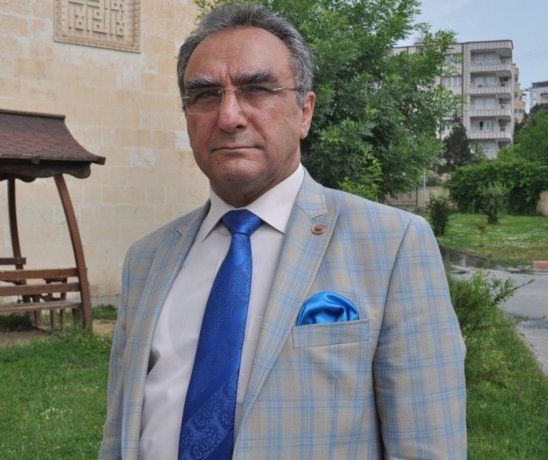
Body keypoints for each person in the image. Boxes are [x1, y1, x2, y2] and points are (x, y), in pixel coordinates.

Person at [100, 3, 466, 459]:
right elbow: (119, 434)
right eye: (206, 95)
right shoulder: (146, 260)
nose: (229, 116)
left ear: (304, 112)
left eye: (256, 90)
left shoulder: (393, 246)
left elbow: (428, 446)